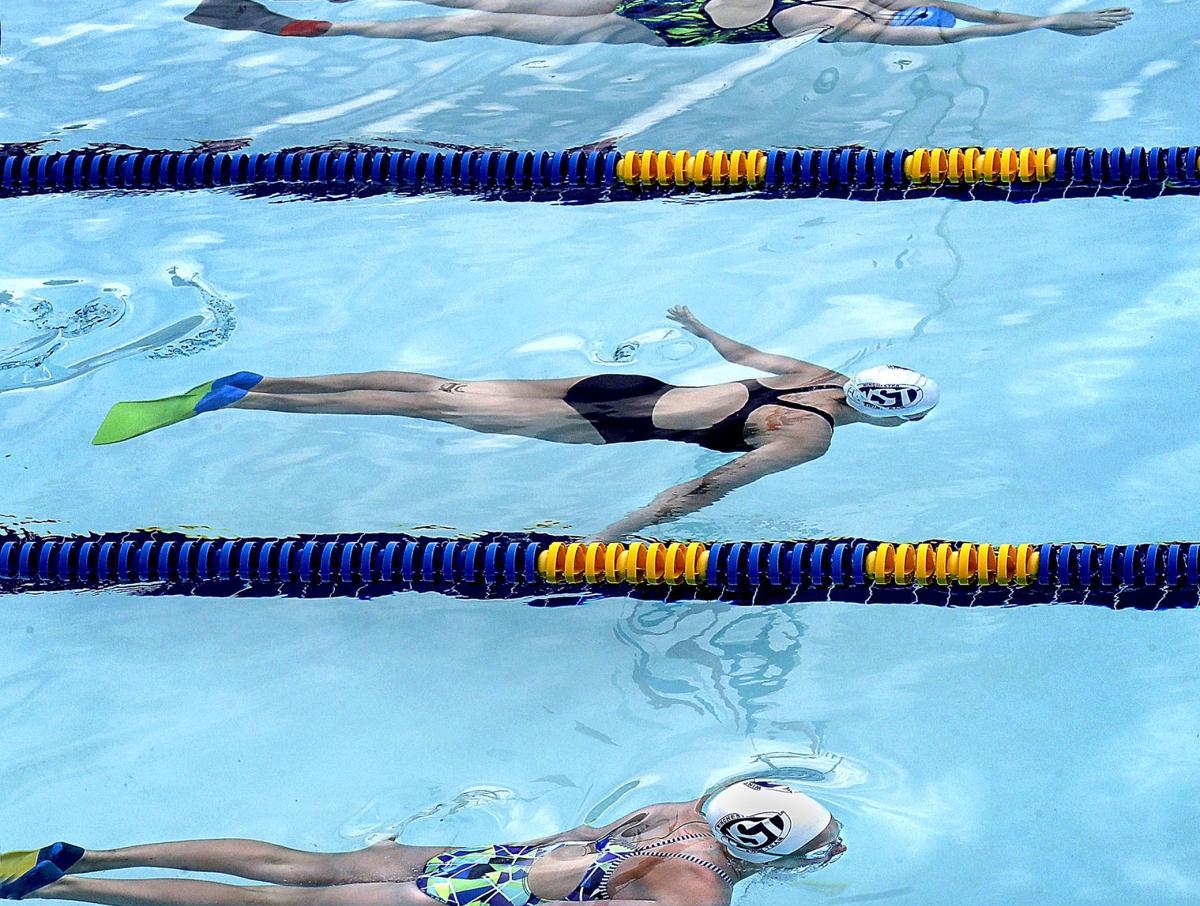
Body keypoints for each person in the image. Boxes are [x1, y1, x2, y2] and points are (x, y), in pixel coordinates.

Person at [90, 307, 939, 538]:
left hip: (623, 384)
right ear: (892, 422)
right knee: (432, 409)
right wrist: (612, 538)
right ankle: (239, 399)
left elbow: (742, 351)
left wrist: (695, 325)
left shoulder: (814, 375)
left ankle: (262, 380)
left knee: (443, 387)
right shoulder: (808, 436)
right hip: (612, 426)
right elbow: (708, 487)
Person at [1, 779, 843, 906]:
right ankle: (61, 888)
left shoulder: (684, 810)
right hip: (473, 903)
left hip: (491, 859)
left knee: (294, 865)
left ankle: (89, 853)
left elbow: (583, 832)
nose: (828, 846)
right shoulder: (700, 899)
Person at [184, 0, 1131, 48]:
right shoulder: (855, 24)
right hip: (674, 24)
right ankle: (329, 25)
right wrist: (1049, 26)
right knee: (486, 24)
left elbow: (959, 8)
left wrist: (1041, 15)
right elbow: (954, 28)